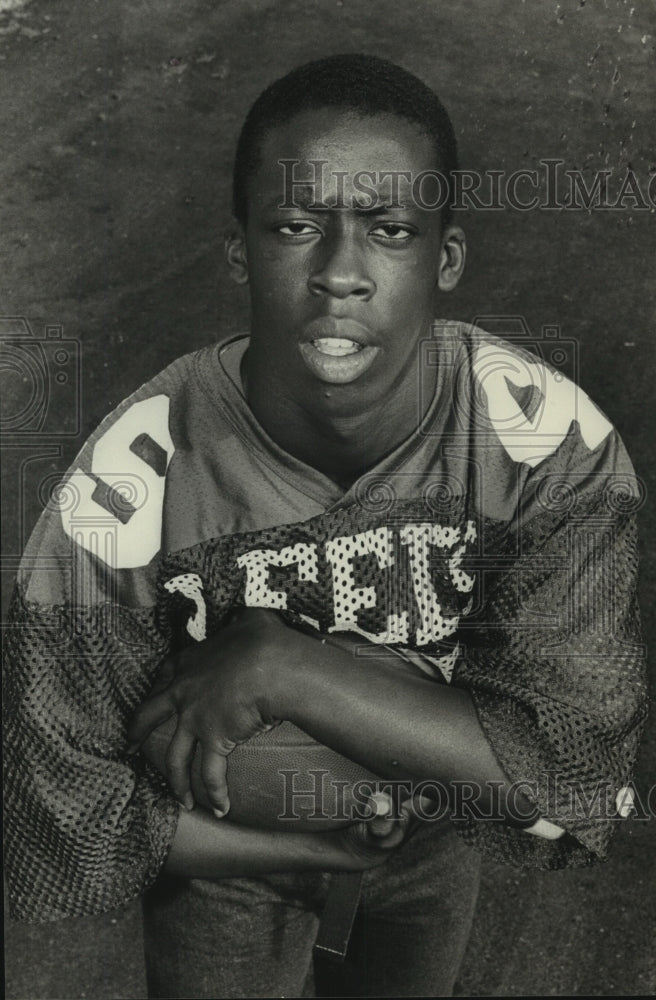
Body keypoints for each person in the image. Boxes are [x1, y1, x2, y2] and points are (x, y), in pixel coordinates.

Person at [4, 54, 647, 999]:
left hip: (436, 842)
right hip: (224, 855)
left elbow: (573, 780)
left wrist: (283, 666)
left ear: (446, 256)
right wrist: (308, 845)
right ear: (239, 251)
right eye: (296, 227)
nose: (340, 274)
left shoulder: (548, 445)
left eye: (390, 231)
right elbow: (53, 800)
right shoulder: (130, 481)